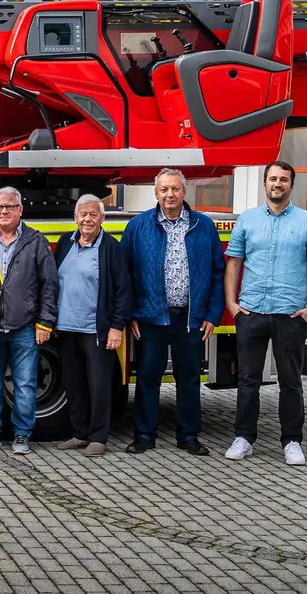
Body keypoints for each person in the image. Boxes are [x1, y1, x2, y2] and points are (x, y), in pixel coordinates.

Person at [223, 160, 307, 466]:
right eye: (272, 179)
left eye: (283, 179)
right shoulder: (248, 220)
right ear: (265, 183)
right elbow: (233, 263)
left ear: (291, 185)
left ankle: (292, 441)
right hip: (251, 311)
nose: (277, 184)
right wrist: (232, 304)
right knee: (247, 381)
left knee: (290, 382)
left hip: (291, 314)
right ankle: (244, 438)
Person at [120, 168, 227, 457]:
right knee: (147, 376)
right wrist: (130, 314)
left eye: (175, 189)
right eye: (164, 189)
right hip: (151, 317)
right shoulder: (138, 226)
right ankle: (144, 435)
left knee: (189, 378)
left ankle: (188, 435)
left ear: (184, 192)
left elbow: (219, 272)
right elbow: (124, 274)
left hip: (189, 318)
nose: (170, 194)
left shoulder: (202, 226)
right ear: (156, 194)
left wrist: (212, 315)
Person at [0, 186, 58, 456]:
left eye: (10, 206)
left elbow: (49, 284)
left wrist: (45, 322)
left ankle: (22, 435)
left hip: (25, 326)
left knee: (25, 384)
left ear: (20, 210)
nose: (4, 211)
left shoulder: (35, 241)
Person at [52, 194, 131, 457]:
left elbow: (123, 291)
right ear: (75, 218)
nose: (87, 219)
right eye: (83, 214)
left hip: (96, 330)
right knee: (74, 384)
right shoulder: (65, 242)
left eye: (93, 214)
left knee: (99, 386)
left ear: (102, 218)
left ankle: (99, 436)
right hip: (67, 328)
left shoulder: (111, 248)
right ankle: (79, 433)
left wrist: (116, 327)